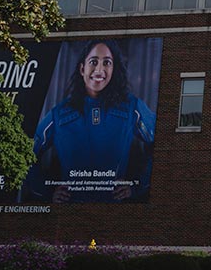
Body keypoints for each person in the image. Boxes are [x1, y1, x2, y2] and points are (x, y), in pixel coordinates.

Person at [26, 40, 156, 202]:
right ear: (82, 68)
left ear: (113, 69)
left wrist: (138, 186)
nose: (99, 69)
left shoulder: (132, 107)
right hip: (71, 210)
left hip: (114, 210)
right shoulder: (59, 113)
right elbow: (26, 153)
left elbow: (161, 142)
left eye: (107, 63)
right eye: (93, 62)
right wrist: (46, 190)